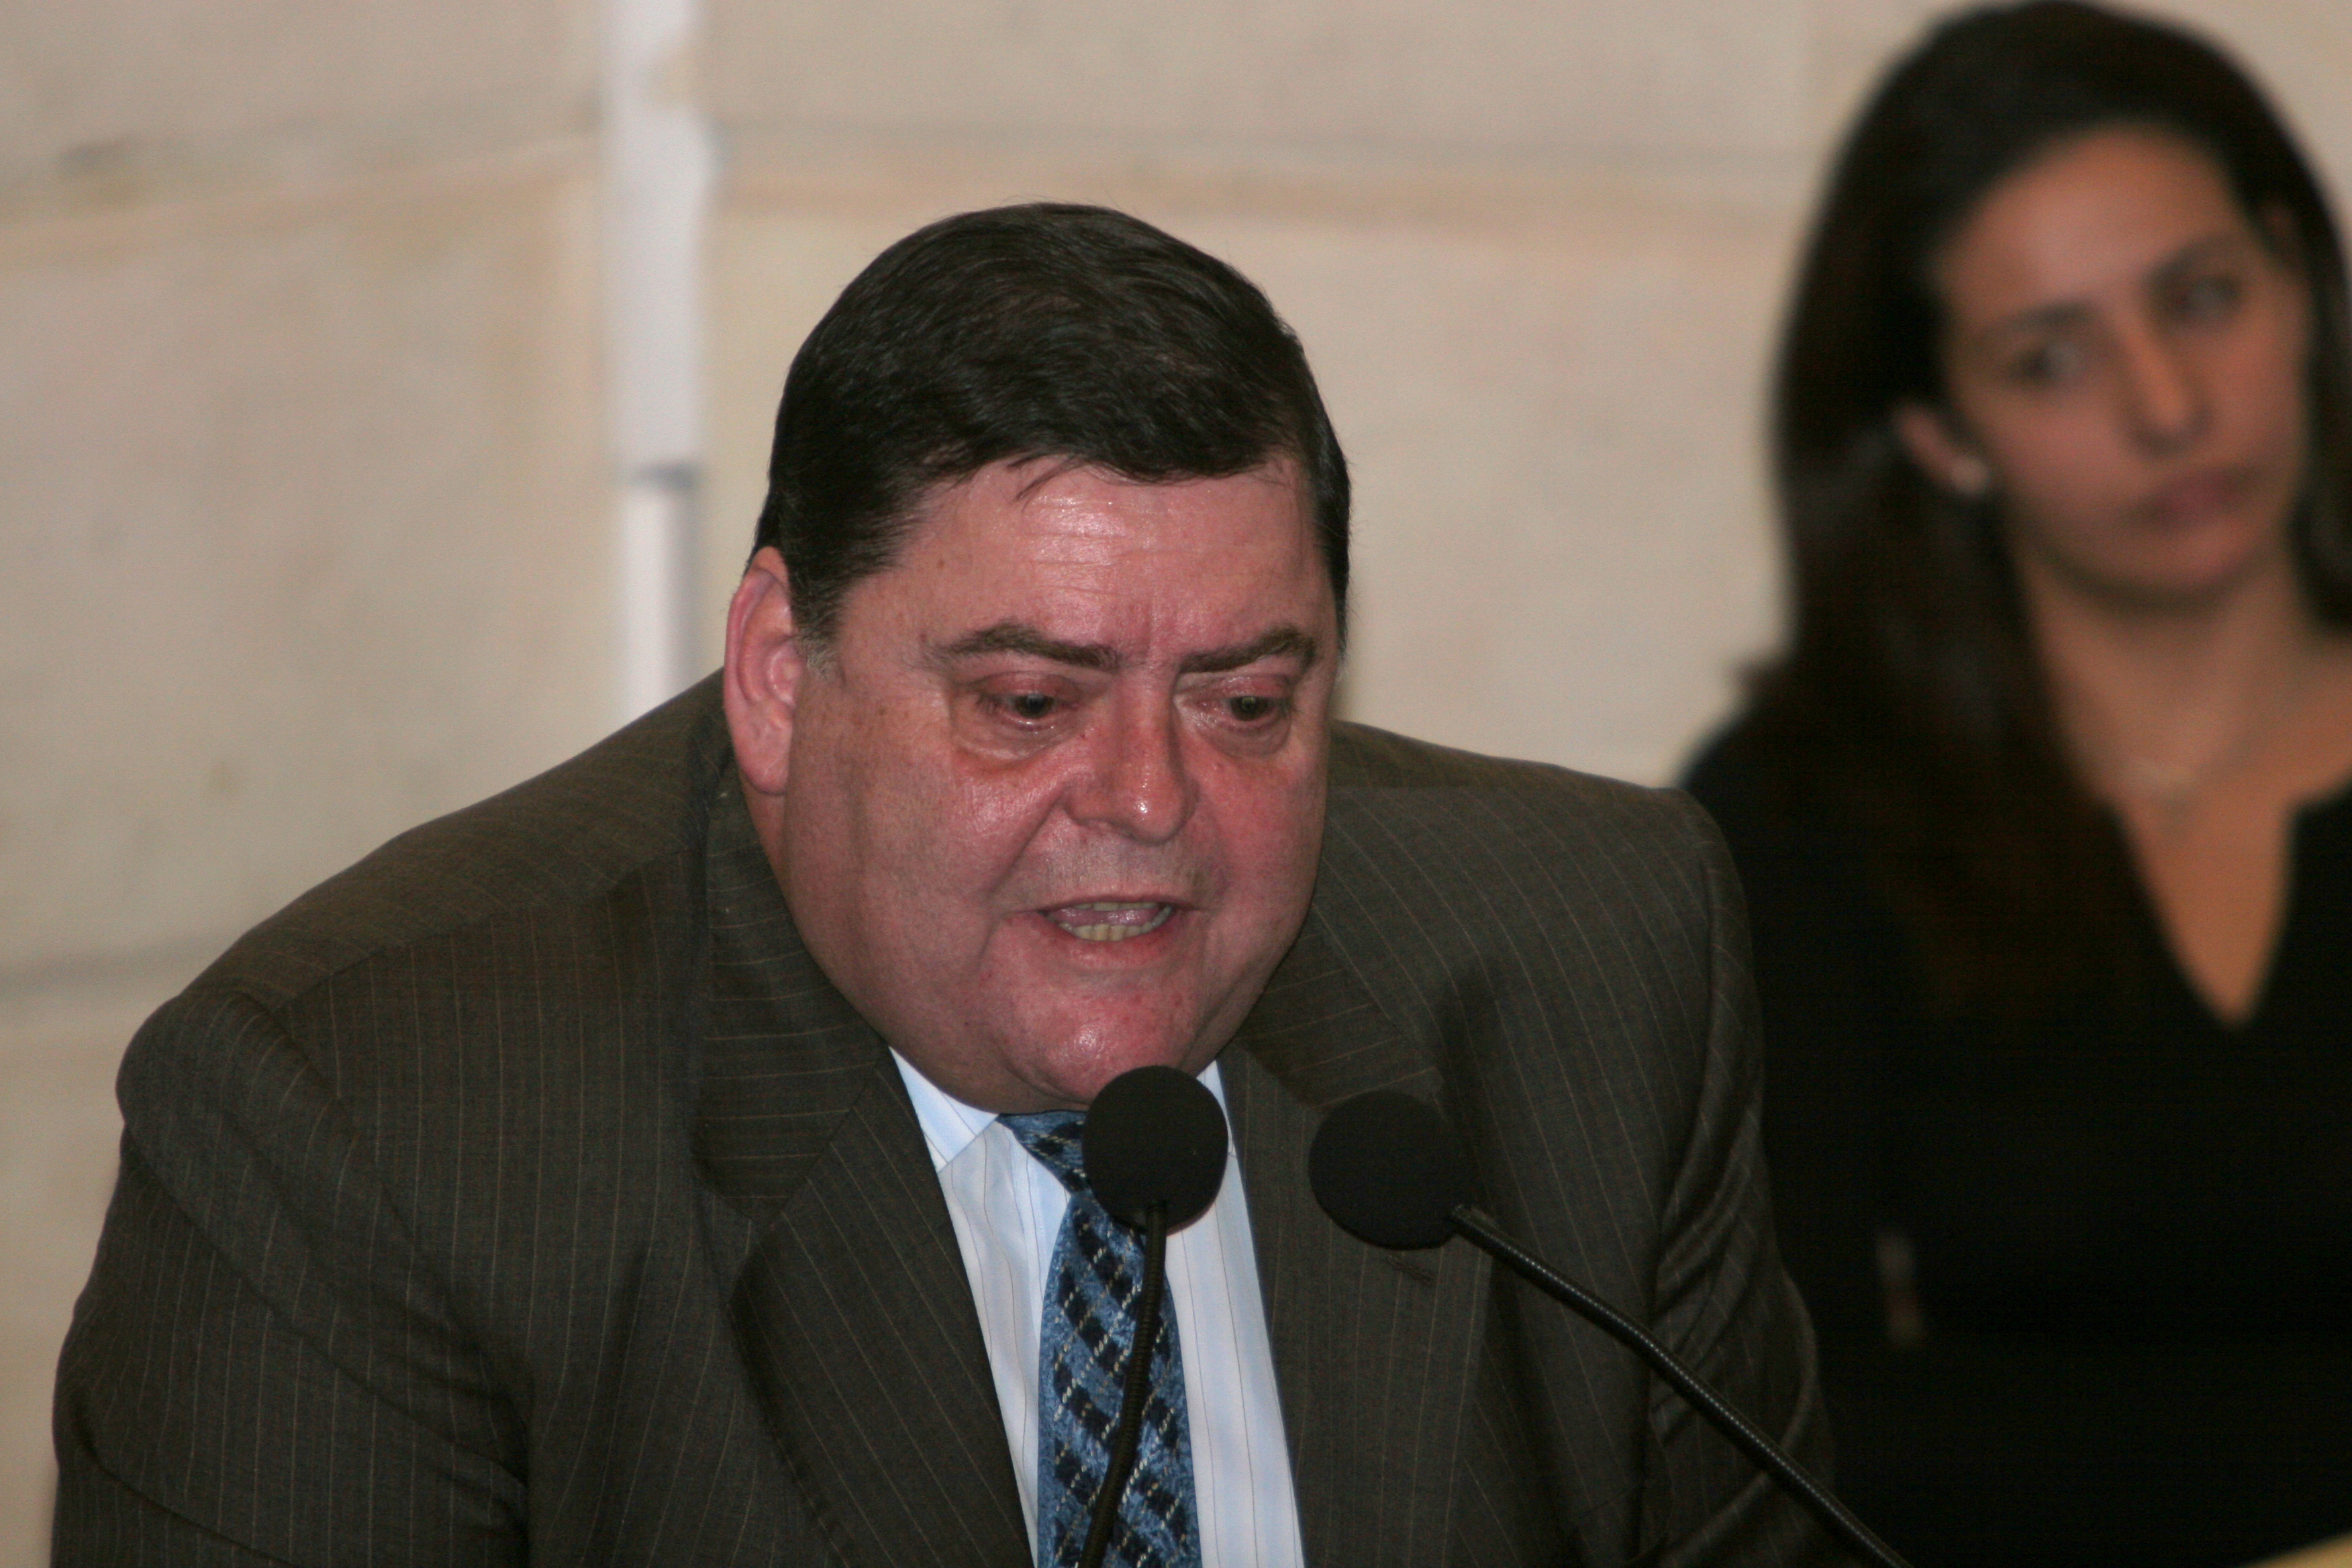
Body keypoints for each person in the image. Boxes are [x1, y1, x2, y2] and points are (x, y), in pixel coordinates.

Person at [56, 203, 1839, 1567]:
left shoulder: (1593, 968)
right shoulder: (370, 1123)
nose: (1148, 798)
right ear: (780, 676)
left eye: (1244, 704)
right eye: (1029, 705)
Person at [1683, 5, 2352, 1565]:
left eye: (2201, 298)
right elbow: (1775, 1427)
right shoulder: (1800, 818)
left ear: (2294, 280)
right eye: (2051, 358)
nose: (2167, 405)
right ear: (1938, 431)